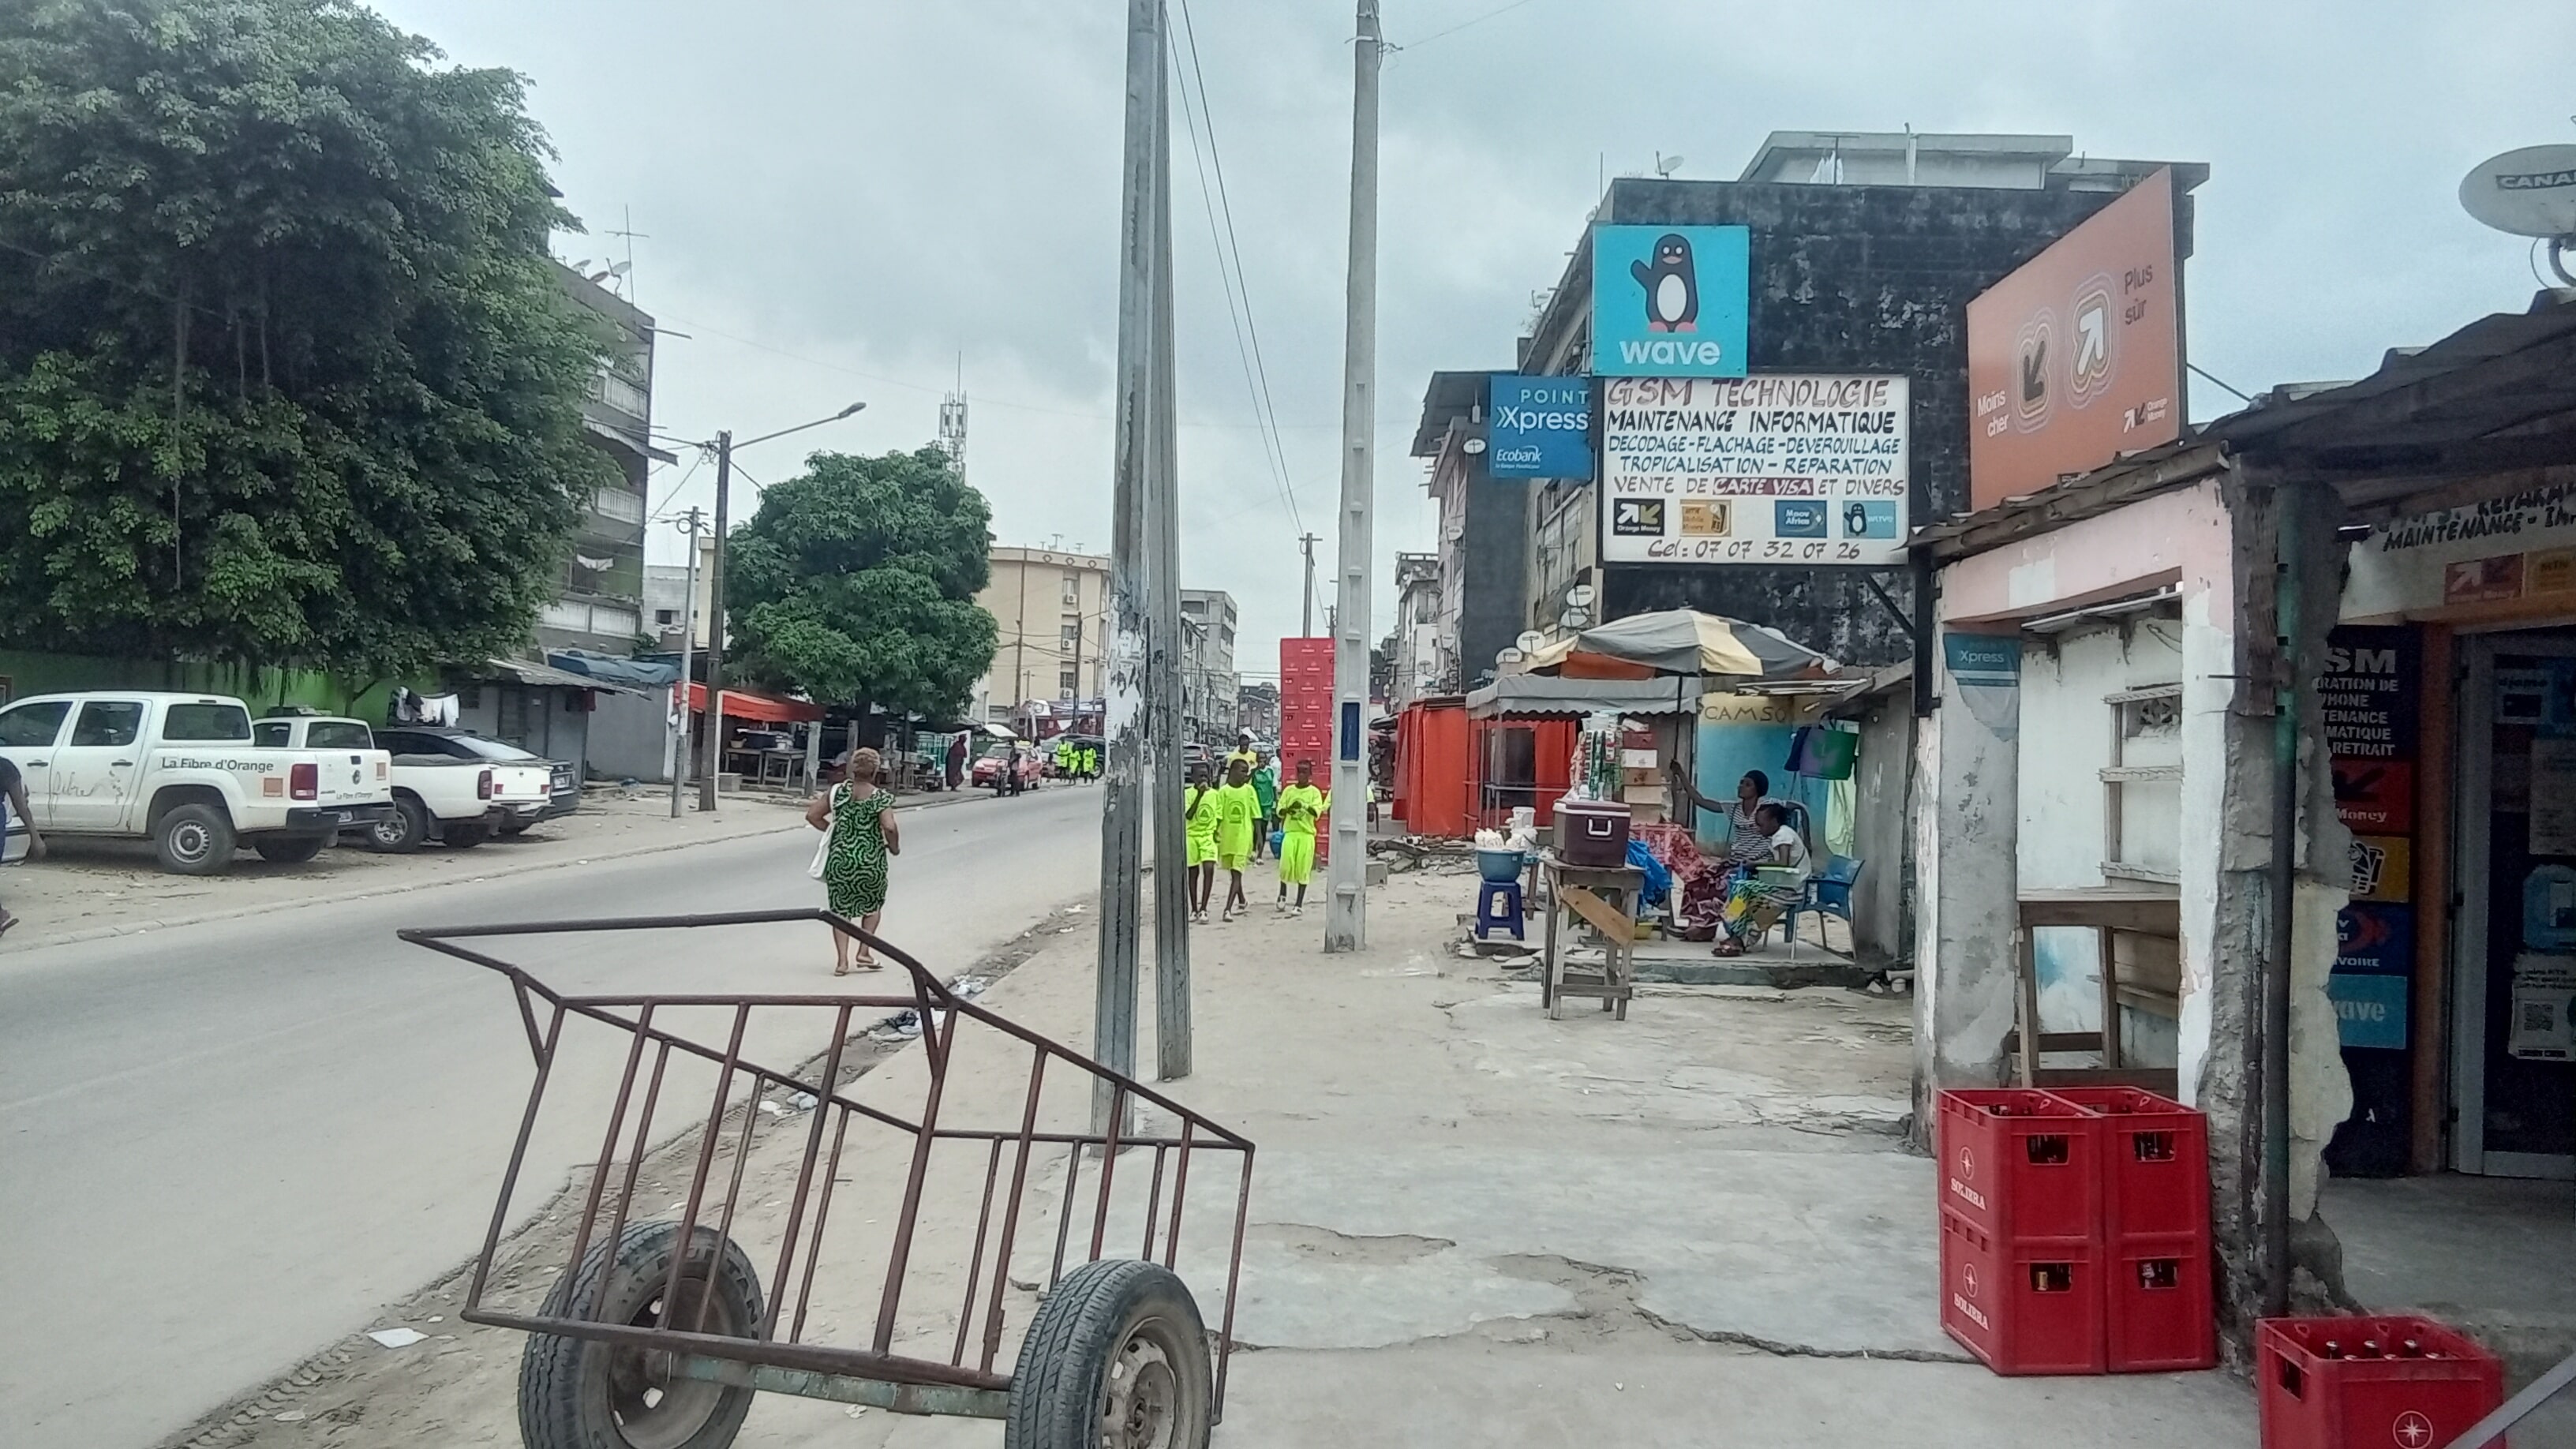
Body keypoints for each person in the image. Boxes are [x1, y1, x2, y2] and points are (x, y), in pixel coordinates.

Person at [804, 747, 901, 975]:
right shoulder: (880, 797)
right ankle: (864, 953)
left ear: (852, 769)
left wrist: (834, 832)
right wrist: (894, 848)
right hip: (870, 860)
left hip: (840, 859)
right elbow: (889, 827)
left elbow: (812, 816)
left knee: (840, 910)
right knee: (872, 907)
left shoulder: (837, 792)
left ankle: (842, 962)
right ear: (875, 771)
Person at [1711, 802, 1810, 957]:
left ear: (1774, 822)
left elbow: (1783, 864)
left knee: (1742, 888)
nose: (1758, 829)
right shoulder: (1780, 834)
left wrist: (1756, 864)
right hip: (1787, 884)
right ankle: (1737, 935)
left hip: (1793, 888)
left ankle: (1734, 929)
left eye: (1760, 825)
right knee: (1743, 893)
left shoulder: (1783, 835)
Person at [1668, 765, 1781, 871]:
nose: (1741, 787)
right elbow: (1700, 801)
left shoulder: (1766, 806)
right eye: (1741, 783)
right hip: (1737, 861)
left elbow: (1789, 806)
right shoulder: (1733, 808)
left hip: (1759, 863)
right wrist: (1680, 773)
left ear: (1758, 789)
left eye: (1748, 785)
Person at [1273, 758, 1327, 915]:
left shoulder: (1314, 793)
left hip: (1306, 834)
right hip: (1290, 832)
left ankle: (1299, 903)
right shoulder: (1289, 791)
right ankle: (1282, 892)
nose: (1302, 775)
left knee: (1303, 868)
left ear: (1310, 774)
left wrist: (1303, 806)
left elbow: (1316, 813)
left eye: (1305, 772)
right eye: (1299, 771)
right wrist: (1289, 808)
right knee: (1285, 865)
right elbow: (1280, 811)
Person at [0, 755, 46, 938]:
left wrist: (35, 837)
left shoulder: (4, 767)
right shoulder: (6, 766)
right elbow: (21, 805)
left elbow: (21, 805)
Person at [1212, 755, 1260, 920]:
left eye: (1247, 772)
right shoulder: (1223, 792)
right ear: (1232, 771)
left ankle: (1227, 909)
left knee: (1237, 872)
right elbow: (1218, 815)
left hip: (1243, 837)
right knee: (1234, 873)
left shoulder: (1249, 791)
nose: (1245, 775)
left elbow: (1256, 816)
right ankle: (1242, 900)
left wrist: (1258, 841)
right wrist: (1214, 833)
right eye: (1242, 771)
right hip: (1227, 838)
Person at [1185, 761, 1219, 923]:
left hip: (1208, 836)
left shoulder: (1215, 795)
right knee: (1193, 872)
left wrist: (1216, 832)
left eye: (1206, 776)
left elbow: (1218, 815)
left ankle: (1204, 908)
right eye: (1200, 777)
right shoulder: (1188, 794)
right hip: (1192, 835)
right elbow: (1189, 815)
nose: (1203, 779)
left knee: (1209, 868)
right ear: (1193, 778)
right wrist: (1199, 795)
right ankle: (1194, 909)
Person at [1249, 754, 1279, 861]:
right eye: (1260, 759)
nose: (1262, 761)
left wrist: (1275, 802)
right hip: (1256, 803)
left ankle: (1260, 854)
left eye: (1264, 759)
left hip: (1267, 804)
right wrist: (1254, 770)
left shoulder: (1270, 771)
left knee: (1263, 827)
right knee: (1255, 828)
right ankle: (1253, 849)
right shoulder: (1254, 772)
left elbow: (1274, 787)